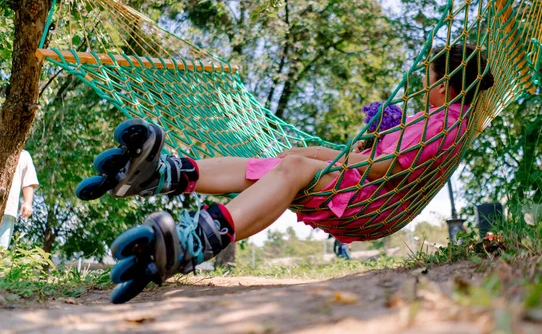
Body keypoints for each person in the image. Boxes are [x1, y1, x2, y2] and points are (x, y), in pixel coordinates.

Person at [87, 44, 494, 303]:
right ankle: (164, 175)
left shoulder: (443, 124)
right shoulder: (437, 116)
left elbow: (387, 169)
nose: (424, 82)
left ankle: (195, 238)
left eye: (430, 76)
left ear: (445, 85)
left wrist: (328, 159)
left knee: (295, 167)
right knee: (288, 159)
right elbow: (366, 156)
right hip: (366, 185)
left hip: (374, 198)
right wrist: (316, 151)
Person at [0, 150, 39, 249]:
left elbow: (28, 181)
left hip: (7, 209)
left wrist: (28, 202)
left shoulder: (23, 155)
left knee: (1, 250)